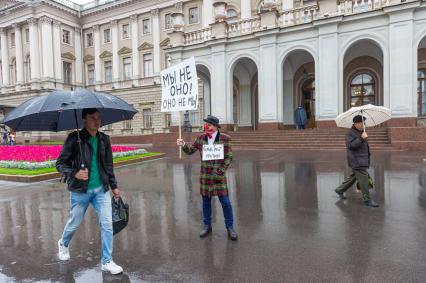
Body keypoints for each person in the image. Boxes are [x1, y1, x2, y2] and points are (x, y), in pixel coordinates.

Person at [56, 108, 123, 274]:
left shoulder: (104, 139)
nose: (97, 121)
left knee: (107, 224)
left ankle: (107, 261)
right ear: (84, 120)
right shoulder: (74, 139)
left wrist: (113, 186)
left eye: (99, 118)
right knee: (75, 222)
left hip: (101, 189)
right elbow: (60, 163)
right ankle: (63, 243)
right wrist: (74, 172)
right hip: (80, 190)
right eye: (93, 118)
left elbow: (108, 165)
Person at [176, 115, 238, 240]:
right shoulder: (201, 138)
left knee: (225, 203)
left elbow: (229, 157)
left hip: (219, 176)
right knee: (205, 203)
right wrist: (183, 145)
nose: (206, 126)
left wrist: (220, 171)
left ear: (215, 127)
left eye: (209, 124)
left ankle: (230, 227)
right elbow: (190, 151)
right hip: (205, 177)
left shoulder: (225, 138)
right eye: (206, 124)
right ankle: (207, 226)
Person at [335, 115, 379, 207]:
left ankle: (340, 190)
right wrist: (361, 138)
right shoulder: (350, 133)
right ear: (356, 123)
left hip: (362, 159)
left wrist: (363, 137)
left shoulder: (361, 132)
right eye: (362, 123)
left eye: (364, 123)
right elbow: (351, 146)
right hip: (356, 160)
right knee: (364, 180)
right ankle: (367, 200)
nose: (363, 124)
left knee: (353, 177)